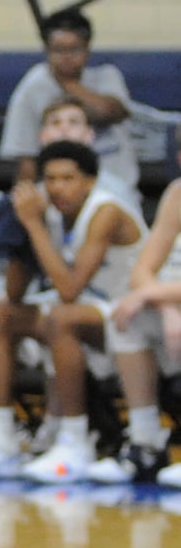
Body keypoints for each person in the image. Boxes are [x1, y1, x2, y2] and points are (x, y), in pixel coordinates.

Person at [0, 140, 147, 483]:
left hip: (128, 314)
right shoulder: (45, 212)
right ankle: (0, 436)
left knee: (59, 318)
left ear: (90, 182)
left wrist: (34, 225)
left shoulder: (105, 211)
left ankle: (75, 439)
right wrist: (18, 228)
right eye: (50, 179)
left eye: (68, 178)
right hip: (83, 312)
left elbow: (69, 290)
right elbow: (14, 292)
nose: (57, 187)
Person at [93, 140, 181, 484]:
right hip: (172, 303)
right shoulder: (177, 193)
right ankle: (146, 444)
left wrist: (157, 295)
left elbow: (148, 283)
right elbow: (142, 270)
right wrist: (168, 308)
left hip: (170, 296)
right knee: (124, 318)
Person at [0, 7, 138, 192]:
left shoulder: (107, 76)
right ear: (47, 51)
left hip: (116, 191)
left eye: (74, 49)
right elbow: (26, 162)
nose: (67, 57)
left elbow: (109, 111)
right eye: (59, 50)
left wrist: (68, 84)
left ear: (87, 50)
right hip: (60, 195)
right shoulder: (31, 88)